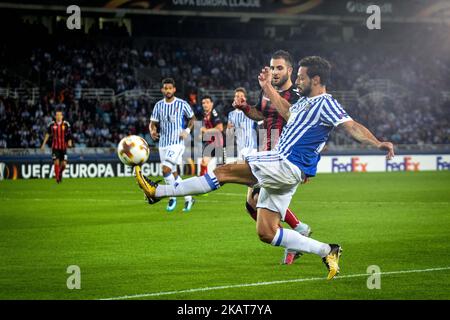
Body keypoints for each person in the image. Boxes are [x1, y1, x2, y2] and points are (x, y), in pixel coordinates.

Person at [135, 56, 395, 280]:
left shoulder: (327, 103)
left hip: (286, 163)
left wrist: (377, 142)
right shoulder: (304, 103)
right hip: (287, 171)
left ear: (316, 80)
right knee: (267, 232)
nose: (298, 81)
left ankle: (157, 192)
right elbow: (285, 111)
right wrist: (268, 87)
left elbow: (351, 126)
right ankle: (328, 251)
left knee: (223, 171)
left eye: (302, 77)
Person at [231, 50, 311, 265]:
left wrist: (305, 163)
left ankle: (296, 234)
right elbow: (260, 113)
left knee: (256, 199)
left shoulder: (298, 94)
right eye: (272, 67)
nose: (275, 72)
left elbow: (304, 126)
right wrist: (245, 108)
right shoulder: (268, 90)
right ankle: (297, 233)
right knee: (250, 204)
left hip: (284, 156)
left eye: (279, 68)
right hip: (265, 150)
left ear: (290, 70)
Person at [149, 78, 196, 212]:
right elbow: (152, 122)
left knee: (165, 170)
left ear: (174, 89)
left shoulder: (182, 104)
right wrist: (152, 131)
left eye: (170, 88)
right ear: (162, 90)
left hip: (177, 143)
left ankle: (172, 196)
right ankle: (188, 198)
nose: (168, 90)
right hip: (163, 143)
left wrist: (187, 131)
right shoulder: (158, 105)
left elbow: (192, 118)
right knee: (173, 174)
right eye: (166, 88)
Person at [40, 110, 73, 183]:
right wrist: (43, 144)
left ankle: (60, 173)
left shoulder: (66, 124)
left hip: (63, 148)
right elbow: (47, 134)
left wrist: (70, 142)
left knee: (64, 165)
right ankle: (57, 178)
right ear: (55, 116)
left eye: (59, 115)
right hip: (55, 147)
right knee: (56, 163)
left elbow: (69, 135)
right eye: (57, 115)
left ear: (62, 116)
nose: (58, 116)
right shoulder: (51, 124)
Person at [226, 88, 258, 160]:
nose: (239, 98)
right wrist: (229, 129)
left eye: (241, 96)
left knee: (251, 170)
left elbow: (261, 122)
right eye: (237, 96)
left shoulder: (251, 111)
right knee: (241, 170)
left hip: (252, 149)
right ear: (234, 98)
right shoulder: (231, 114)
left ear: (245, 99)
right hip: (240, 149)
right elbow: (229, 134)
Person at [199, 95, 223, 176]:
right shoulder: (205, 115)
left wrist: (206, 130)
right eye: (203, 103)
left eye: (207, 102)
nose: (205, 104)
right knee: (203, 162)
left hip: (219, 144)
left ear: (212, 104)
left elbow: (220, 128)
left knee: (222, 169)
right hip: (210, 143)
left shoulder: (214, 113)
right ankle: (201, 181)